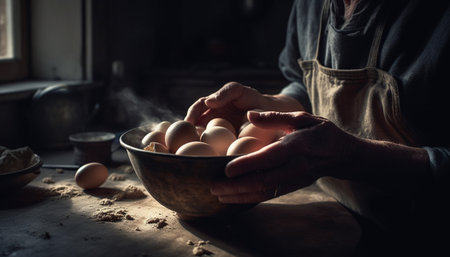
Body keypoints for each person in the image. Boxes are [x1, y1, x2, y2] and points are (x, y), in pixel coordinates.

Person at [185, 0, 449, 254]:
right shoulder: (308, 4)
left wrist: (353, 155)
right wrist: (267, 104)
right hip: (332, 220)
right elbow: (304, 86)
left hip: (421, 239)